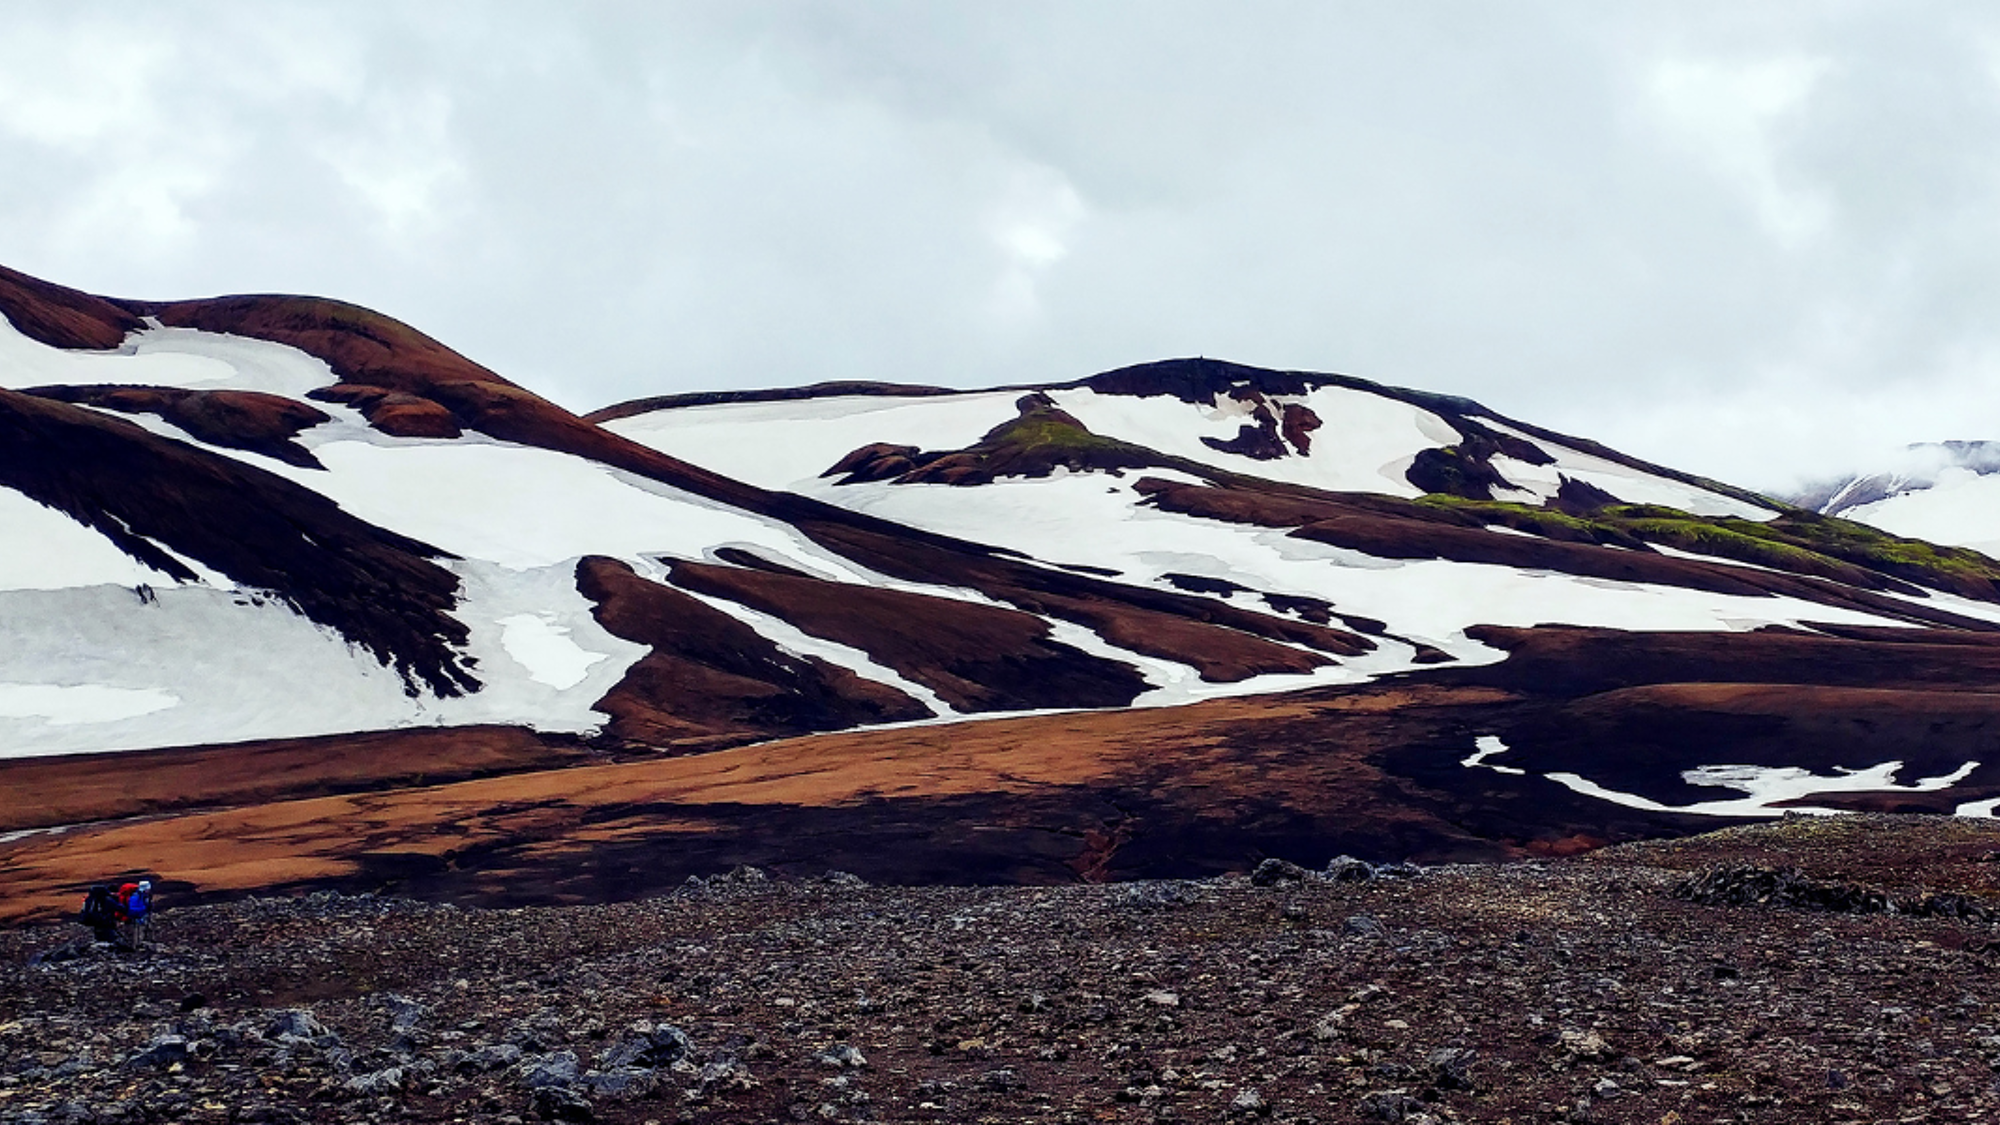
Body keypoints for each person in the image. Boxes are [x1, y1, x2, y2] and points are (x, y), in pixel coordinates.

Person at [115, 881, 152, 950]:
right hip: (133, 917)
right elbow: (134, 908)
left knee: (135, 931)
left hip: (134, 916)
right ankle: (134, 946)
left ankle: (135, 945)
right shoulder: (136, 896)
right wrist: (145, 909)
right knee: (134, 932)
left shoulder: (139, 895)